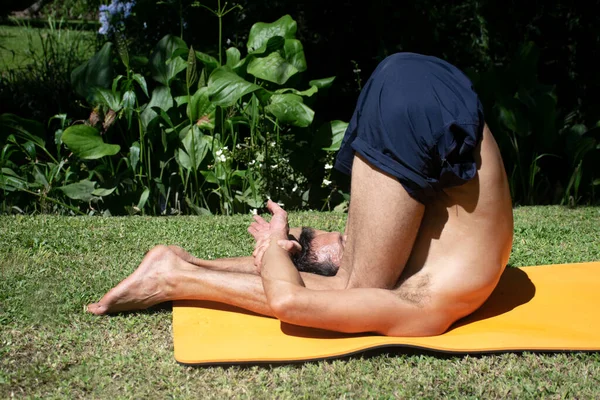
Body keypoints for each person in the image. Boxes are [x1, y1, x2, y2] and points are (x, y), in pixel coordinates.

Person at [87, 53, 513, 337]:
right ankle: (174, 272)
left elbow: (299, 292)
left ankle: (178, 269)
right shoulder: (424, 292)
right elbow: (301, 295)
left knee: (352, 285)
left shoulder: (425, 290)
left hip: (403, 76)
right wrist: (276, 252)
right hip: (426, 100)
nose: (333, 240)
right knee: (352, 285)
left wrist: (273, 248)